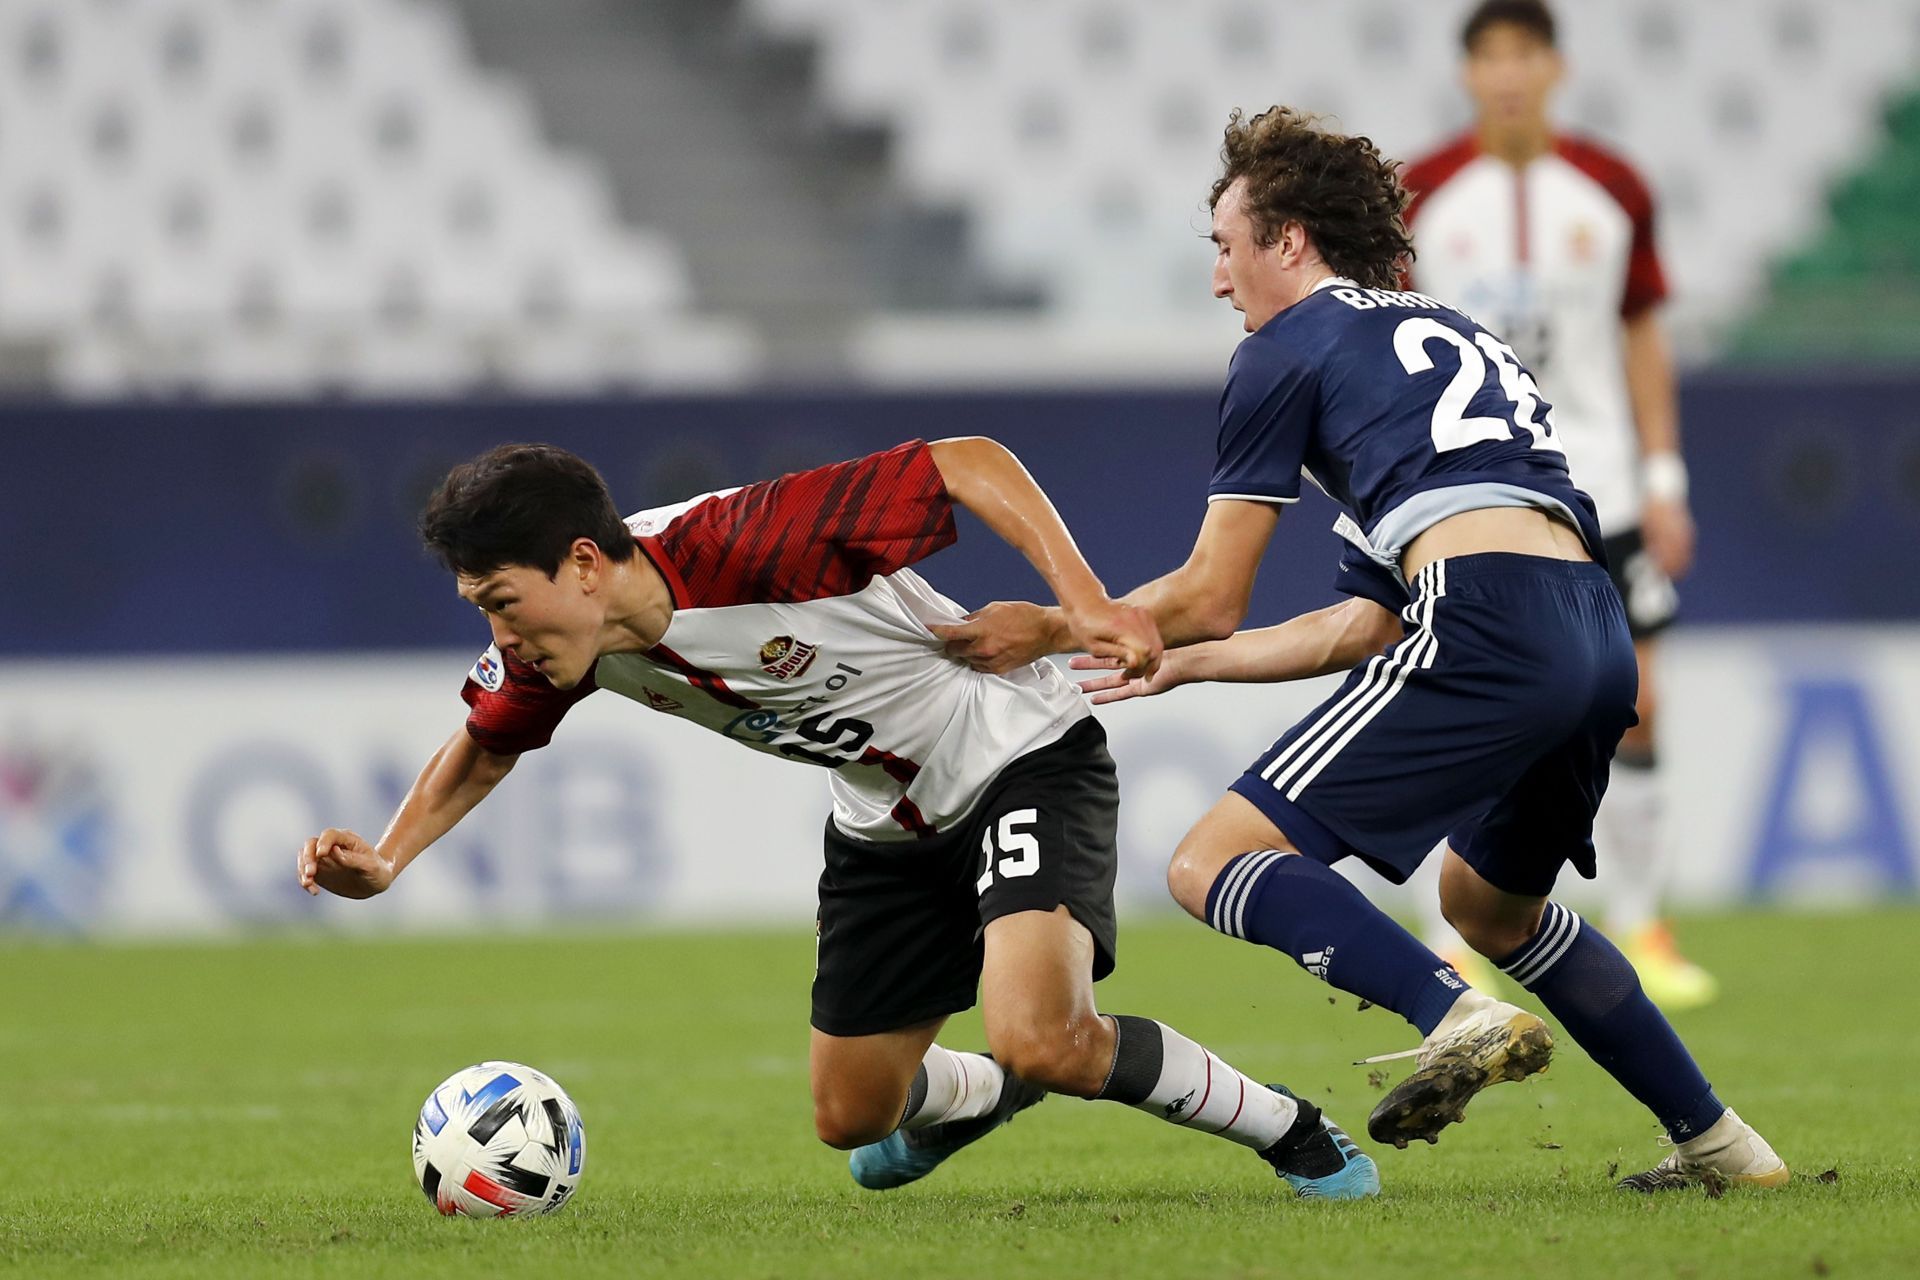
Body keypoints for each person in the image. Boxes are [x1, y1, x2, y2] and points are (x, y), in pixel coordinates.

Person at [938, 106, 1785, 1192]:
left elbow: (1208, 591)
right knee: (1493, 906)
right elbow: (1367, 623)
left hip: (1483, 612)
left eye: (1225, 247)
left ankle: (1454, 1010)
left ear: (1288, 240)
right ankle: (1727, 1148)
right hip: (1590, 621)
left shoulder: (1282, 347)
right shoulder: (1447, 333)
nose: (1218, 280)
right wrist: (1185, 661)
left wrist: (1056, 625)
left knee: (1209, 860)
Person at [294, 436, 1379, 1200]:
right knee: (853, 1116)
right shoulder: (561, 645)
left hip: (1012, 752)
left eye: (499, 598)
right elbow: (485, 741)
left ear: (582, 562)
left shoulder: (745, 540)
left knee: (1046, 1032)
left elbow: (968, 461)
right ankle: (991, 1093)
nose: (499, 631)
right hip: (881, 823)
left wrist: (1084, 602)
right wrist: (388, 858)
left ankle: (1293, 1128)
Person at [1398, 0, 1714, 1008]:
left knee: (1637, 705)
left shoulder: (1613, 188)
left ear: (1555, 68)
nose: (1508, 76)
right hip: (1478, 489)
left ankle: (1643, 924)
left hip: (1607, 484)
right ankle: (1446, 941)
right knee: (1458, 706)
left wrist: (1665, 476)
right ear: (1468, 74)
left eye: (1524, 56)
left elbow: (1641, 335)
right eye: (1489, 58)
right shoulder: (1424, 192)